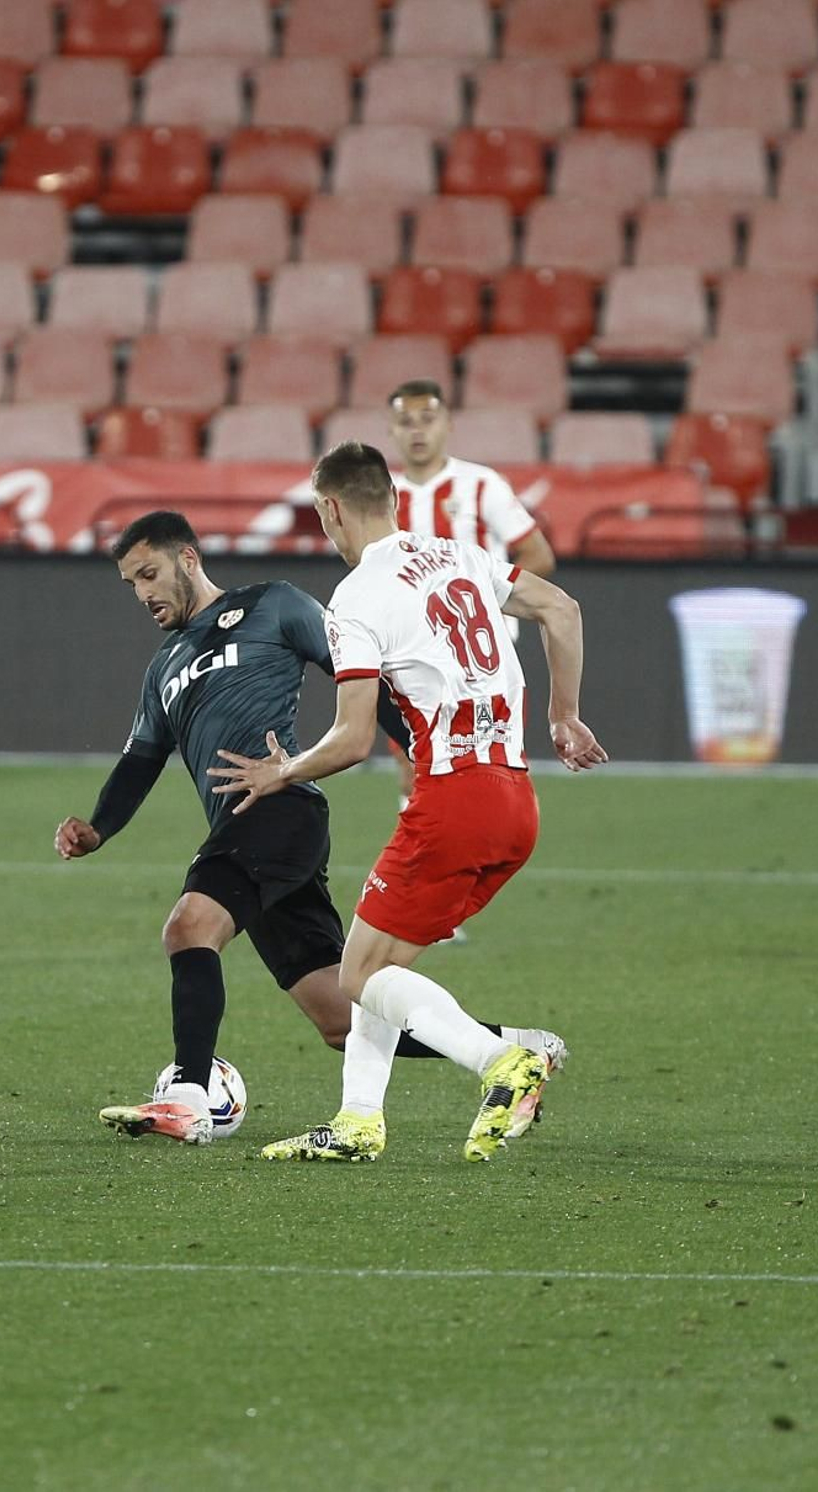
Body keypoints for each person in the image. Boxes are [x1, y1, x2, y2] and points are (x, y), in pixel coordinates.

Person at [55, 509, 562, 1148]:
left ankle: (187, 1095)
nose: (144, 594)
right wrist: (98, 828)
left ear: (189, 558)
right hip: (244, 828)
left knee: (189, 927)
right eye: (132, 584)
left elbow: (362, 676)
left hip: (281, 811)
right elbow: (140, 759)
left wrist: (420, 756)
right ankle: (512, 1048)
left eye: (150, 574)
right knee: (341, 1016)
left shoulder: (273, 606)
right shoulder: (164, 667)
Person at [210, 444, 607, 1163]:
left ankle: (502, 1060)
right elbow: (562, 607)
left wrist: (283, 771)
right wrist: (564, 716)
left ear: (331, 508)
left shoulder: (356, 596)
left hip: (452, 800)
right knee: (374, 961)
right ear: (392, 495)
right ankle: (359, 1121)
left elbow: (354, 737)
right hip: (515, 800)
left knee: (358, 974)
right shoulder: (459, 554)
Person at [385, 379, 557, 808]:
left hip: (482, 659)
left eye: (427, 420)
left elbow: (538, 555)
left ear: (447, 424)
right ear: (391, 430)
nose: (417, 431)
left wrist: (474, 598)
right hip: (411, 658)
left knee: (490, 770)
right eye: (406, 422)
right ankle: (426, 868)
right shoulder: (382, 496)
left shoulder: (481, 485)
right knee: (417, 773)